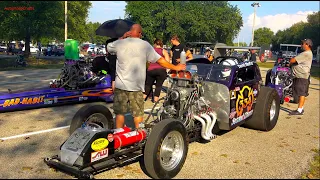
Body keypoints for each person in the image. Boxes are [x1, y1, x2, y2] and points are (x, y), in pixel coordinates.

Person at [107, 24, 186, 129]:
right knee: (138, 114)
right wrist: (176, 67)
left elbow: (109, 47)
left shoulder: (120, 43)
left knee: (120, 113)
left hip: (121, 85)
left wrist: (122, 37)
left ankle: (118, 134)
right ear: (139, 33)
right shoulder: (145, 45)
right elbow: (161, 61)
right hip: (136, 86)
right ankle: (139, 134)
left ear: (130, 32)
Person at [288, 39, 313, 115]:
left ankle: (299, 110)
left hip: (301, 76)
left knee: (301, 93)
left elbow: (293, 60)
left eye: (303, 43)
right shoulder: (306, 53)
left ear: (307, 45)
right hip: (299, 75)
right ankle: (298, 105)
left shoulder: (306, 53)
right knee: (297, 90)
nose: (301, 45)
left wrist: (290, 61)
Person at [144, 39, 170, 103]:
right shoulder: (164, 51)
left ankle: (143, 98)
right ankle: (155, 100)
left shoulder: (151, 51)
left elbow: (148, 61)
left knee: (148, 85)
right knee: (158, 85)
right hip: (161, 70)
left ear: (155, 44)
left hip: (151, 70)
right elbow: (167, 61)